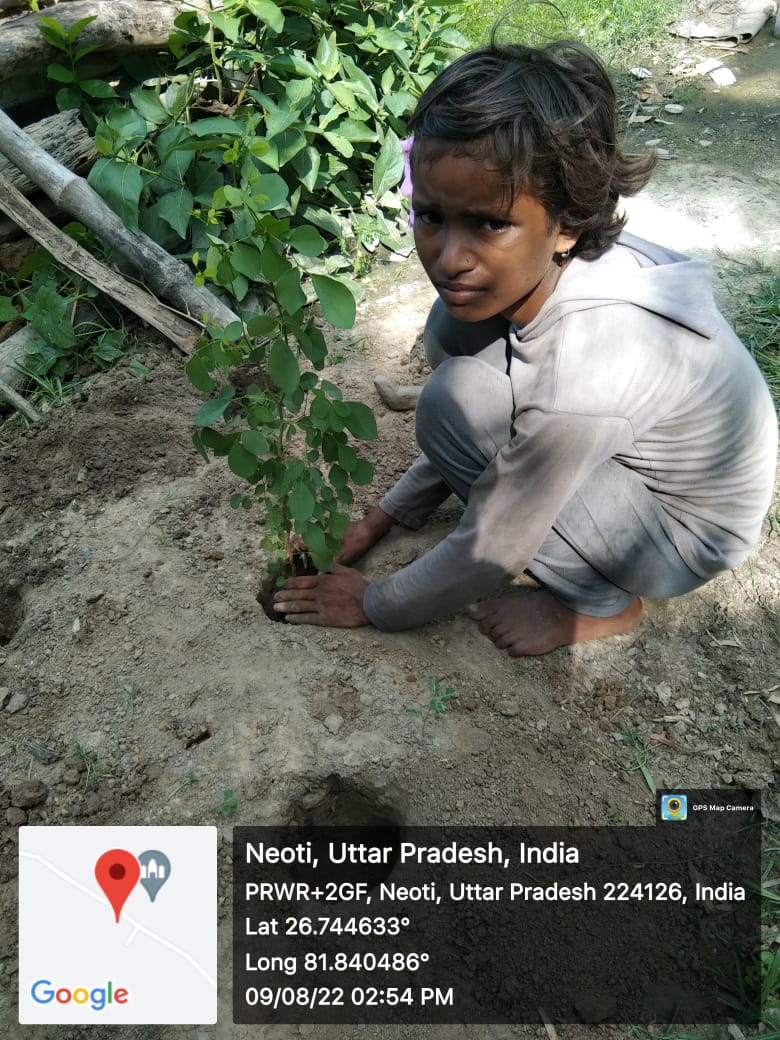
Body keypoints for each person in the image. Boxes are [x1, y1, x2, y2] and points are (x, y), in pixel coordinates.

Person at [273, 39, 777, 655]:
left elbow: (499, 539)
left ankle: (599, 604)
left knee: (451, 397)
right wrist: (382, 520)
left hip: (679, 536)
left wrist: (374, 602)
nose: (450, 258)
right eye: (431, 216)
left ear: (567, 225)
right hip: (612, 458)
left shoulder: (591, 362)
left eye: (490, 223)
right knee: (452, 329)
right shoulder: (546, 271)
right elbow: (487, 430)